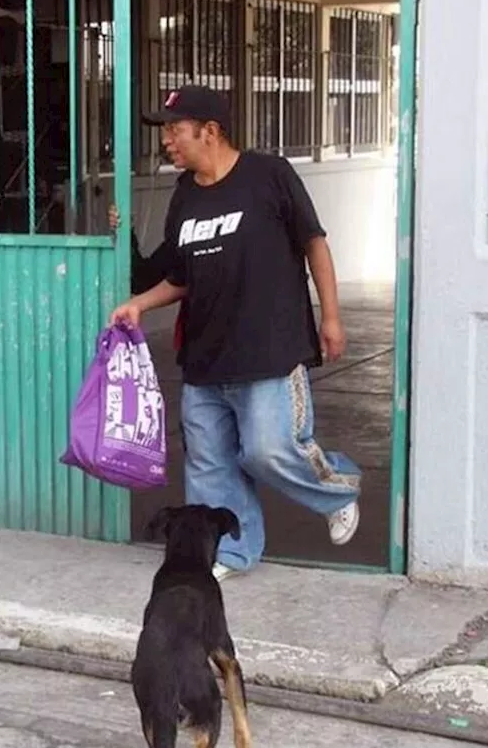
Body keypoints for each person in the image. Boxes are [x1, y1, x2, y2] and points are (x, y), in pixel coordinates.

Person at [110, 84, 361, 582]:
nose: (167, 142)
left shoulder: (270, 175)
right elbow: (179, 278)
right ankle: (235, 552)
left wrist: (330, 317)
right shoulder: (184, 196)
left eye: (175, 131)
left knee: (269, 451)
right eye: (165, 132)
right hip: (206, 356)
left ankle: (337, 490)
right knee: (208, 464)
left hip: (270, 349)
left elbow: (315, 245)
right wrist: (138, 303)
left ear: (210, 131)